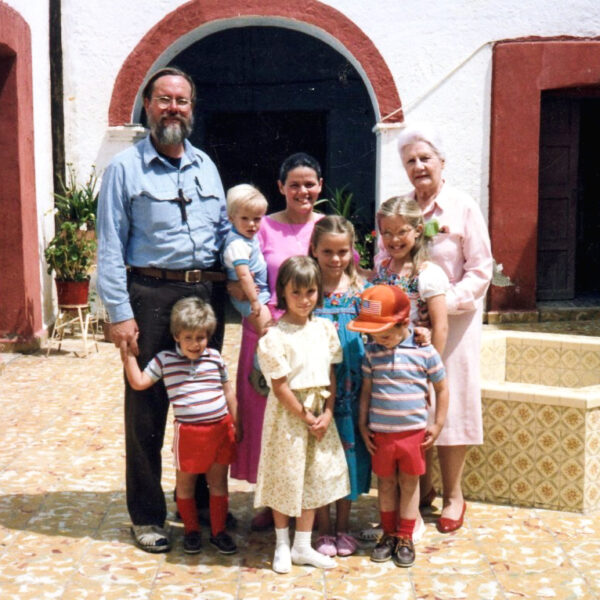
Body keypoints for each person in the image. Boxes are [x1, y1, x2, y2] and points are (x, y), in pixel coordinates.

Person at [97, 67, 231, 553]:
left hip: (203, 299)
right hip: (150, 298)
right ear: (148, 106)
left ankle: (193, 504)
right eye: (164, 99)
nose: (174, 108)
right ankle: (148, 516)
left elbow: (223, 235)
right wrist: (119, 312)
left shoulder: (206, 167)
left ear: (192, 109)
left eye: (182, 101)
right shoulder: (124, 170)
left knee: (204, 407)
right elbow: (110, 246)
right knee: (148, 412)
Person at [397, 122, 493, 532]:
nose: (418, 166)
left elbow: (481, 269)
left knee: (449, 405)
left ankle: (454, 494)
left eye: (425, 158)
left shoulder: (462, 206)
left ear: (441, 162)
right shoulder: (401, 208)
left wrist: (442, 303)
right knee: (411, 403)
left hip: (453, 326)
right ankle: (424, 487)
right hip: (407, 327)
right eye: (410, 161)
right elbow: (387, 252)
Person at [229, 152, 324, 531]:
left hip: (309, 336)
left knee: (305, 414)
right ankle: (272, 501)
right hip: (266, 334)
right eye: (295, 184)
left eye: (310, 183)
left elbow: (342, 273)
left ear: (320, 186)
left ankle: (307, 502)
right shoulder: (260, 227)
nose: (303, 191)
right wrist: (256, 312)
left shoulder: (325, 226)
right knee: (267, 421)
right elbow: (237, 278)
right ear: (281, 187)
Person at [121, 297, 241, 555]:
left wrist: (237, 422)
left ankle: (219, 532)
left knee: (218, 484)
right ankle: (192, 531)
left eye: (201, 337)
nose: (195, 344)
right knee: (185, 485)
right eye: (188, 337)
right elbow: (140, 382)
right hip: (189, 436)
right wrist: (128, 357)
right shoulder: (165, 360)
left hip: (221, 430)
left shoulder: (215, 358)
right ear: (176, 335)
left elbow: (228, 392)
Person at [254, 256, 350, 573]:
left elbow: (331, 376)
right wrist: (305, 417)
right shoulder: (275, 336)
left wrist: (328, 413)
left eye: (310, 292)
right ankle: (282, 543)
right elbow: (280, 386)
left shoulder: (324, 329)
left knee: (313, 478)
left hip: (320, 413)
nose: (304, 300)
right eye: (296, 293)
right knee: (286, 476)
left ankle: (302, 545)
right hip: (289, 417)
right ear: (284, 292)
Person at [349, 285, 448, 568]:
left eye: (386, 335)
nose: (380, 340)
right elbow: (367, 390)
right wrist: (363, 421)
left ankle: (405, 536)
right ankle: (389, 534)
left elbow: (442, 388)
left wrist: (438, 423)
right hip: (381, 433)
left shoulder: (424, 352)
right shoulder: (373, 352)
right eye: (374, 335)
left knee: (409, 482)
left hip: (412, 433)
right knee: (386, 483)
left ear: (404, 322)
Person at [309, 216, 370, 558]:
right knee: (320, 456)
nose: (335, 259)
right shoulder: (309, 288)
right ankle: (323, 527)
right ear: (314, 250)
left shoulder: (361, 288)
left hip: (351, 385)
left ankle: (344, 526)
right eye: (327, 251)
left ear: (352, 251)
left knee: (349, 453)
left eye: (342, 251)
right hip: (318, 387)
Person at [222, 184, 271, 336]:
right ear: (231, 218)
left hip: (258, 294)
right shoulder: (237, 244)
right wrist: (255, 301)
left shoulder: (247, 236)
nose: (251, 224)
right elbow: (243, 275)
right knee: (268, 334)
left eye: (257, 219)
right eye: (245, 218)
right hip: (250, 298)